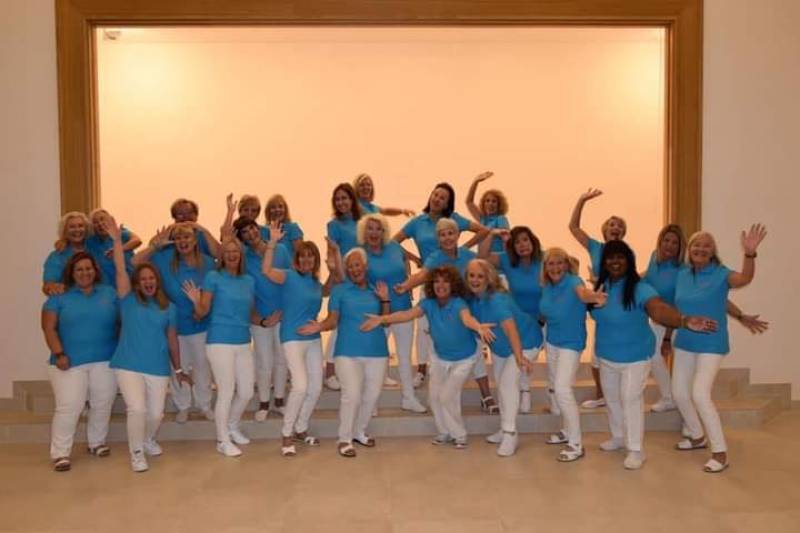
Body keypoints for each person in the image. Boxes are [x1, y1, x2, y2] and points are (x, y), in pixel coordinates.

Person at [591, 240, 715, 470]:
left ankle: (636, 449)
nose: (615, 261)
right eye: (610, 257)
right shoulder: (601, 288)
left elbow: (657, 308)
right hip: (607, 355)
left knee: (631, 399)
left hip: (635, 357)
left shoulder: (641, 288)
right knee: (612, 399)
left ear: (629, 261)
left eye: (620, 257)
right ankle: (618, 437)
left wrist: (683, 320)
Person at [362, 265, 494, 449]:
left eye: (445, 281)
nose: (440, 285)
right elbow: (406, 315)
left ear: (453, 284)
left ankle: (460, 434)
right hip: (440, 357)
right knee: (434, 397)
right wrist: (382, 319)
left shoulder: (458, 304)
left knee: (447, 395)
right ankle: (444, 432)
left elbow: (466, 319)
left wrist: (478, 327)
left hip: (464, 359)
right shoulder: (428, 304)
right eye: (436, 281)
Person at [644, 224, 770, 413]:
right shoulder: (665, 264)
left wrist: (740, 315)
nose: (669, 245)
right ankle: (683, 415)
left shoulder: (695, 271)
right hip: (670, 327)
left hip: (694, 331)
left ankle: (687, 420)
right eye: (666, 240)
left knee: (695, 389)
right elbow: (648, 278)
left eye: (675, 243)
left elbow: (729, 290)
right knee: (672, 378)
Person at [672, 224, 767, 473]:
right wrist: (740, 315)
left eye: (706, 245)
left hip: (712, 343)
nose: (701, 248)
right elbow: (720, 300)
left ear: (713, 251)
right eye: (696, 245)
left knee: (700, 394)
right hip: (684, 341)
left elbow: (744, 279)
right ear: (689, 250)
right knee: (679, 393)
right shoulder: (682, 274)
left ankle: (720, 452)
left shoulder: (721, 273)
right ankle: (696, 436)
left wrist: (749, 253)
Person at [105, 216, 191, 472]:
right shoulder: (128, 299)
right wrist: (116, 241)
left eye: (151, 279)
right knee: (137, 409)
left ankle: (148, 439)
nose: (148, 282)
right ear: (137, 283)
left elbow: (173, 340)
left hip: (157, 366)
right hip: (128, 364)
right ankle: (137, 453)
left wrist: (178, 369)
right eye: (143, 279)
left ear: (157, 281)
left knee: (156, 414)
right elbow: (122, 268)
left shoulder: (169, 308)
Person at [395, 218, 497, 413]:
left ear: (458, 235)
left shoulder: (468, 256)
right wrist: (405, 286)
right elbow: (422, 275)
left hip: (466, 309)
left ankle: (486, 396)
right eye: (442, 234)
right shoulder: (435, 257)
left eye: (451, 233)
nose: (447, 237)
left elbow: (484, 273)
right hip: (445, 313)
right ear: (438, 239)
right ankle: (441, 399)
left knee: (476, 352)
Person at [393, 181, 488, 387]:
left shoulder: (453, 220)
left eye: (442, 197)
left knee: (463, 324)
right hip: (429, 279)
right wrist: (412, 258)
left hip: (456, 283)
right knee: (424, 327)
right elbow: (393, 242)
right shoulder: (418, 222)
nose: (437, 199)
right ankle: (421, 370)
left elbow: (482, 231)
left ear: (448, 203)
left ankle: (473, 374)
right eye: (435, 194)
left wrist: (462, 247)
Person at [182, 196, 257, 458]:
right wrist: (195, 301)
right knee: (226, 390)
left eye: (236, 252)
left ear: (240, 255)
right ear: (223, 256)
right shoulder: (213, 277)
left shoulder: (248, 280)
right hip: (219, 342)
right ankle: (222, 439)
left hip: (242, 342)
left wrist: (267, 320)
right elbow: (203, 312)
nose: (233, 255)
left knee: (246, 390)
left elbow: (250, 313)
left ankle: (233, 426)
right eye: (228, 253)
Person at [299, 248, 391, 457]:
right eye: (350, 266)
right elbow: (333, 320)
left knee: (372, 395)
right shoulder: (340, 290)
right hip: (347, 352)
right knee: (352, 395)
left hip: (377, 352)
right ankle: (345, 438)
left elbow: (385, 321)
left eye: (357, 265)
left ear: (365, 266)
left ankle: (359, 431)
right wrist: (320, 326)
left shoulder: (376, 288)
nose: (354, 269)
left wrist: (385, 299)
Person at [262, 221, 341, 456]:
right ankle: (286, 435)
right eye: (303, 256)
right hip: (292, 338)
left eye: (311, 257)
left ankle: (301, 427)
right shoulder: (287, 276)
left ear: (315, 261)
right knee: (301, 386)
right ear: (297, 259)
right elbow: (266, 270)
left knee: (315, 388)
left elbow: (330, 287)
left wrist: (334, 260)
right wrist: (273, 243)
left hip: (313, 338)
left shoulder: (315, 284)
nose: (307, 260)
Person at [41, 251, 119, 472]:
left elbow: (122, 322)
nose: (85, 273)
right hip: (68, 362)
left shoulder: (109, 293)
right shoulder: (59, 296)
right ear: (71, 273)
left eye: (88, 268)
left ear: (95, 271)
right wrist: (59, 354)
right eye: (80, 269)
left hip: (105, 360)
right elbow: (48, 328)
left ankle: (96, 443)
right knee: (70, 406)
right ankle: (60, 453)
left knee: (102, 403)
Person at [133, 222, 216, 424]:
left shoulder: (207, 262)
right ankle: (183, 406)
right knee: (177, 367)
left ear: (195, 240)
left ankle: (204, 405)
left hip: (201, 324)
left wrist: (201, 309)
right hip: (174, 326)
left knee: (202, 366)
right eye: (178, 238)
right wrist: (154, 245)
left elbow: (213, 290)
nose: (183, 241)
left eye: (187, 237)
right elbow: (134, 262)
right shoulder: (163, 259)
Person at [538, 247, 606, 462]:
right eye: (551, 263)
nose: (555, 267)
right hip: (553, 342)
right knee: (555, 387)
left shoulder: (574, 281)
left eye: (559, 263)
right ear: (545, 267)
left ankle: (576, 444)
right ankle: (566, 431)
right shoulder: (547, 287)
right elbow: (545, 313)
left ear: (566, 264)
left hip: (571, 343)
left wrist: (593, 296)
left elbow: (582, 294)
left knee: (562, 389)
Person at [464, 259, 537, 456]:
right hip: (500, 348)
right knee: (503, 387)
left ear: (489, 278)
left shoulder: (497, 300)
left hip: (525, 342)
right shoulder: (473, 299)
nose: (475, 280)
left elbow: (510, 329)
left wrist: (520, 356)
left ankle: (510, 433)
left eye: (480, 276)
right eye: (471, 275)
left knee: (507, 385)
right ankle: (504, 428)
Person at [359, 213, 427, 413]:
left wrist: (407, 283)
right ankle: (371, 403)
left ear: (383, 231)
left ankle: (409, 398)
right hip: (378, 313)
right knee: (377, 359)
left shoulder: (395, 247)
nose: (374, 232)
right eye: (370, 228)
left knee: (405, 357)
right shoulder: (361, 253)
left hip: (403, 308)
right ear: (364, 231)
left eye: (378, 228)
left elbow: (404, 264)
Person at [568, 188, 627, 409]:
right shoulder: (595, 246)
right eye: (612, 224)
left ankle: (620, 395)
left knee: (617, 350)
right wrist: (582, 200)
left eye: (620, 225)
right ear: (604, 230)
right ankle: (602, 395)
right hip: (600, 306)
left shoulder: (626, 252)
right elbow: (573, 227)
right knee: (597, 355)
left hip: (620, 305)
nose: (616, 227)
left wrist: (597, 278)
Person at [478, 225, 546, 414]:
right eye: (517, 242)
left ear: (533, 240)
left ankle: (551, 401)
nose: (522, 245)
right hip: (518, 320)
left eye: (525, 239)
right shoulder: (508, 261)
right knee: (518, 358)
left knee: (536, 359)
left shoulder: (545, 259)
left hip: (544, 319)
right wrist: (491, 235)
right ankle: (523, 392)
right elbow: (482, 256)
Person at [234, 216, 291, 420]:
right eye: (245, 232)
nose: (251, 233)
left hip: (283, 314)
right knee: (264, 361)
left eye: (252, 228)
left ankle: (279, 400)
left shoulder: (281, 250)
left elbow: (289, 281)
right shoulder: (243, 258)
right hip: (260, 318)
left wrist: (284, 311)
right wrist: (263, 320)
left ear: (259, 228)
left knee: (281, 360)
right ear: (241, 237)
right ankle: (264, 402)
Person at [323, 183, 363, 390]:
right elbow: (331, 255)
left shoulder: (362, 221)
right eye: (337, 199)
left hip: (361, 279)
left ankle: (351, 370)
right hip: (343, 279)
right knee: (339, 326)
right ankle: (329, 371)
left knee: (356, 326)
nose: (341, 202)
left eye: (344, 198)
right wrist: (336, 274)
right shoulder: (333, 225)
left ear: (352, 200)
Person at [86, 208, 141, 288]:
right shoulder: (91, 242)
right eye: (95, 222)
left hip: (130, 282)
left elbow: (137, 240)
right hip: (107, 287)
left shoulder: (120, 233)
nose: (100, 224)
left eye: (102, 219)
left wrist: (118, 249)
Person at [42, 212, 92, 296]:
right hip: (69, 303)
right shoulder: (57, 256)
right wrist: (52, 287)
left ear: (86, 229)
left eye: (80, 226)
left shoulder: (95, 249)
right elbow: (47, 285)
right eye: (72, 227)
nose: (77, 230)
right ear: (64, 231)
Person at [465, 171, 510, 254]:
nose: (490, 204)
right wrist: (475, 182)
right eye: (487, 201)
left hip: (497, 258)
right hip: (483, 257)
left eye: (494, 201)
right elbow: (469, 202)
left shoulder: (500, 219)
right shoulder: (482, 219)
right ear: (483, 203)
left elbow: (506, 238)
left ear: (499, 204)